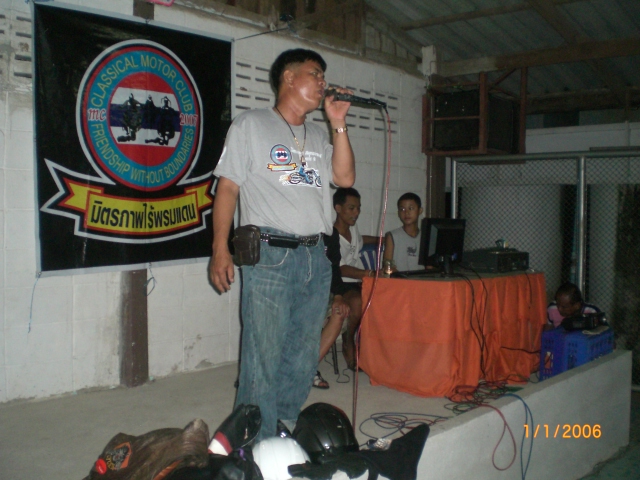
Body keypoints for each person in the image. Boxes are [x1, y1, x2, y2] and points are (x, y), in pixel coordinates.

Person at [209, 48, 355, 440]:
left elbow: (344, 178)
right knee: (263, 356)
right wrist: (220, 248)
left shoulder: (319, 134)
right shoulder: (251, 124)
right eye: (315, 73)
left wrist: (338, 123)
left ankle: (283, 427)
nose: (323, 82)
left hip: (316, 256)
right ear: (289, 77)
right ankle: (254, 443)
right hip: (270, 254)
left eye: (323, 75)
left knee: (303, 355)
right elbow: (228, 188)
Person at [332, 187, 379, 370]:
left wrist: (383, 239)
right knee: (358, 302)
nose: (356, 213)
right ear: (338, 208)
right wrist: (369, 273)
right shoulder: (331, 235)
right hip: (341, 283)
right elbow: (341, 269)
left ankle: (377, 350)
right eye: (351, 208)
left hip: (359, 280)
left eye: (358, 208)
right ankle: (348, 340)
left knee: (386, 297)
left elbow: (360, 240)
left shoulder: (353, 227)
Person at [313, 228, 351, 389]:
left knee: (340, 312)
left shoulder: (330, 233)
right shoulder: (298, 228)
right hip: (297, 293)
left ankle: (307, 369)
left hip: (324, 292)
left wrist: (338, 296)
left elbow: (334, 267)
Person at [383, 192, 423, 273]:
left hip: (421, 280)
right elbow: (387, 268)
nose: (406, 213)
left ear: (420, 210)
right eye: (402, 209)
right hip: (399, 279)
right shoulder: (392, 236)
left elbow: (430, 268)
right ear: (398, 213)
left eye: (411, 208)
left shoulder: (426, 237)